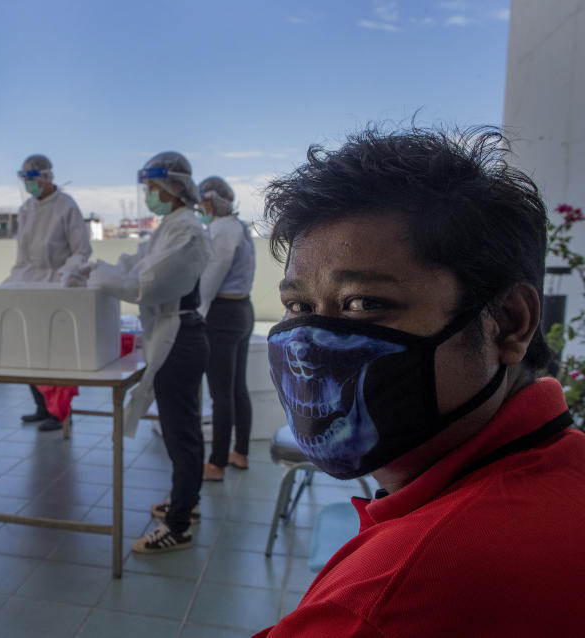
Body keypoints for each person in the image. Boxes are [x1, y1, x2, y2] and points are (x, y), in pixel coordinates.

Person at [256, 126, 585, 637]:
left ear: (510, 322)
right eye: (297, 306)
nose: (307, 347)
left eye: (365, 303)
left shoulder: (388, 597)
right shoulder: (566, 461)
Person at [76, 151, 211, 553]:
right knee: (179, 430)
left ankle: (178, 525)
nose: (149, 195)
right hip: (174, 332)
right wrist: (100, 268)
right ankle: (186, 499)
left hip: (180, 336)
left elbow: (145, 286)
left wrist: (100, 278)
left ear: (172, 189)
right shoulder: (171, 224)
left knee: (181, 433)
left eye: (153, 188)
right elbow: (138, 265)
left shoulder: (187, 229)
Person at [6, 154, 92, 432]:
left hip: (57, 284)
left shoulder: (66, 206)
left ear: (47, 177)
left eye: (32, 178)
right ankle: (42, 407)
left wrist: (66, 276)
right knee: (29, 348)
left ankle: (60, 414)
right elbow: (23, 253)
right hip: (29, 283)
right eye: (25, 179)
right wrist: (12, 281)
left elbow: (81, 249)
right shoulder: (26, 209)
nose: (29, 185)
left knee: (55, 352)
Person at [196, 176, 256, 481]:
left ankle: (216, 463)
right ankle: (240, 453)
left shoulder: (221, 230)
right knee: (237, 389)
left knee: (221, 394)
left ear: (210, 202)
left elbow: (209, 279)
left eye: (201, 203)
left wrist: (197, 314)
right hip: (243, 310)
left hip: (222, 315)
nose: (199, 208)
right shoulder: (240, 227)